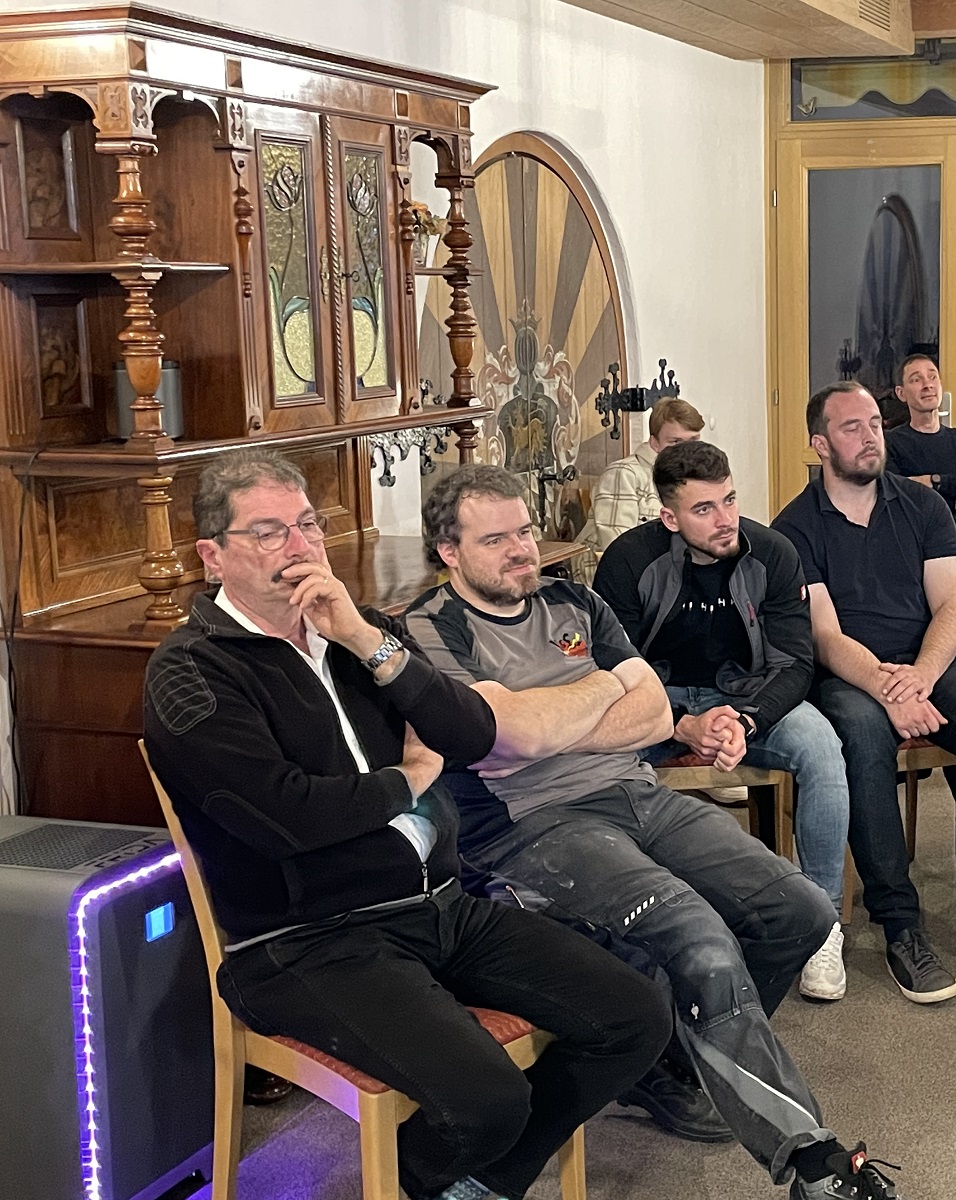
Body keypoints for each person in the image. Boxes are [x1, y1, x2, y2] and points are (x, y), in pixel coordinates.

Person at [142, 450, 671, 1200]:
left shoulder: (364, 634)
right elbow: (287, 818)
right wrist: (409, 780)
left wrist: (364, 640)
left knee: (635, 1016)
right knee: (488, 1099)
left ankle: (469, 1186)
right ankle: (431, 1178)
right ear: (212, 555)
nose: (298, 547)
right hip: (309, 941)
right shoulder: (191, 673)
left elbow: (470, 732)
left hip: (440, 906)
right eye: (268, 532)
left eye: (307, 526)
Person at [404, 465, 904, 1200]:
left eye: (525, 531)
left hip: (637, 792)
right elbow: (503, 739)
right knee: (699, 938)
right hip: (528, 825)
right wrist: (604, 690)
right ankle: (808, 1159)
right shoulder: (427, 627)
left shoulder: (574, 600)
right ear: (449, 552)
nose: (521, 550)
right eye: (496, 539)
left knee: (799, 910)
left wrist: (550, 716)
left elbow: (654, 716)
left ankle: (670, 1064)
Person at [773, 382, 956, 1006]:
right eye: (851, 427)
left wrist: (919, 676)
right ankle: (899, 923)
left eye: (874, 422)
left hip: (928, 661)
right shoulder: (794, 528)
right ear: (819, 444)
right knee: (862, 737)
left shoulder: (924, 508)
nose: (870, 436)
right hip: (850, 674)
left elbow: (953, 604)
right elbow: (825, 635)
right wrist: (886, 686)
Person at [593, 440, 852, 1002]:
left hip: (747, 697)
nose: (725, 519)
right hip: (656, 699)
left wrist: (747, 722)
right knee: (596, 764)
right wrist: (681, 723)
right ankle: (631, 930)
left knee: (822, 747)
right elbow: (611, 672)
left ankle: (824, 922)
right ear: (669, 517)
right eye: (704, 509)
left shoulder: (773, 554)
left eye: (730, 500)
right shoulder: (627, 561)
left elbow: (795, 663)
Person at [885, 353, 956, 563]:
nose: (927, 385)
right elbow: (900, 503)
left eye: (933, 377)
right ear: (901, 393)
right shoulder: (890, 443)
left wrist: (933, 481)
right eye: (916, 379)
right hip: (917, 554)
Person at [576, 396, 704, 552]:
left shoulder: (695, 477)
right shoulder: (624, 474)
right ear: (654, 443)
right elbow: (619, 549)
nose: (686, 450)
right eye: (675, 442)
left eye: (693, 441)